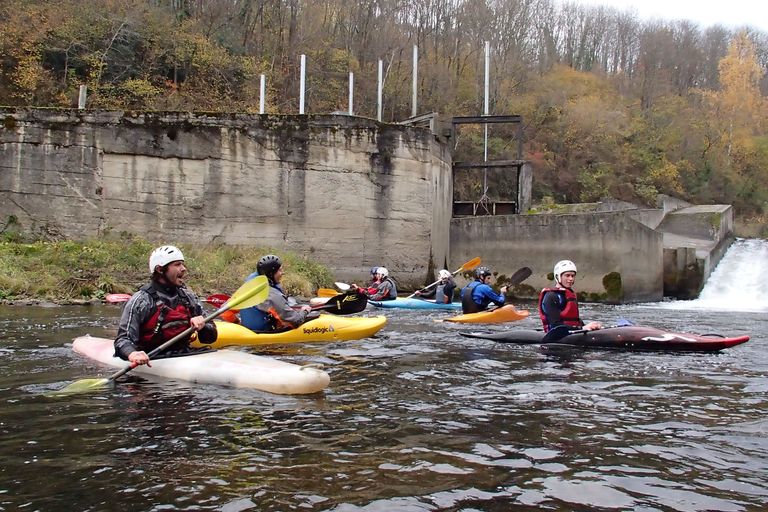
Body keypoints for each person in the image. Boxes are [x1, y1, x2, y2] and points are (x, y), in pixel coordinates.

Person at [114, 245, 217, 366]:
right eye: (177, 264)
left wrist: (204, 326)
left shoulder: (188, 297)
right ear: (160, 269)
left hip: (184, 354)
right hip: (151, 356)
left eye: (183, 264)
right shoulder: (141, 300)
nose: (183, 269)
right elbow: (123, 340)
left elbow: (209, 339)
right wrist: (132, 354)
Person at [239, 254, 314, 332]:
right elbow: (296, 319)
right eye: (280, 270)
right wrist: (305, 311)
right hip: (262, 333)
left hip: (247, 328)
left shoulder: (250, 280)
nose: (282, 273)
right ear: (270, 274)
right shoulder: (272, 295)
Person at [539, 259, 602, 332]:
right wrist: (582, 328)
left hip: (573, 332)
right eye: (567, 275)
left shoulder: (570, 295)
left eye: (573, 276)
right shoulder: (551, 296)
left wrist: (590, 326)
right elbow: (555, 325)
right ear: (558, 276)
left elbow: (575, 320)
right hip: (555, 335)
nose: (571, 279)